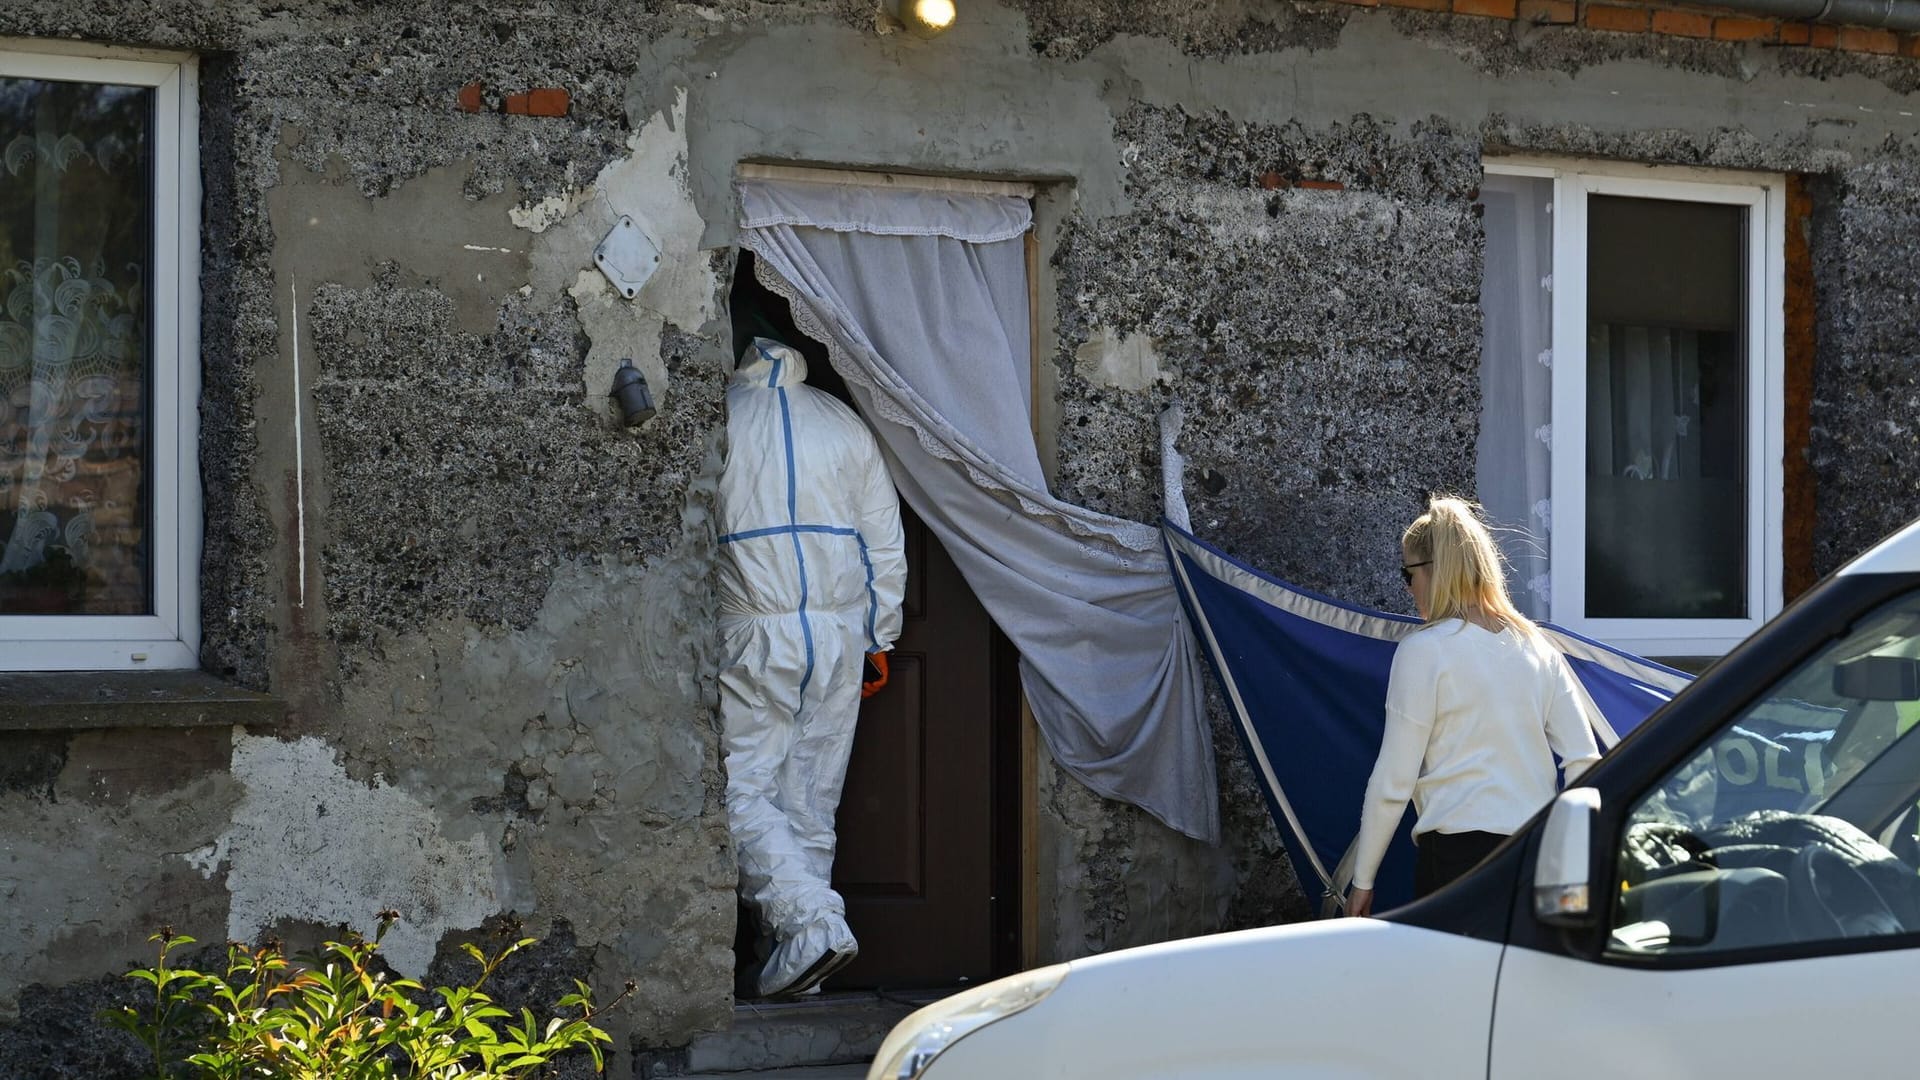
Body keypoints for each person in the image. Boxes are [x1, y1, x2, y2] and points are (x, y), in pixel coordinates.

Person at [717, 337, 907, 996]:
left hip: (753, 629)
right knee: (810, 799)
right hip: (836, 634)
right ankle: (799, 968)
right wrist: (880, 636)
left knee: (739, 787)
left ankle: (811, 927)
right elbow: (884, 538)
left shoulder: (721, 418)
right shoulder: (840, 420)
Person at [1345, 496, 1602, 917]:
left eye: (1406, 574)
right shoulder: (1538, 648)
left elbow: (1393, 782)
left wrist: (1363, 882)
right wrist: (1568, 856)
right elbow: (1584, 762)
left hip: (1455, 863)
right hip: (1534, 856)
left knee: (1453, 984)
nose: (1407, 588)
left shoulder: (1424, 651)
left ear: (1433, 571)